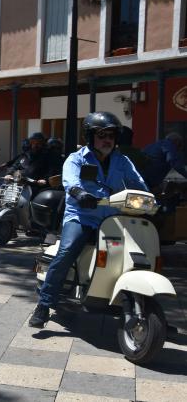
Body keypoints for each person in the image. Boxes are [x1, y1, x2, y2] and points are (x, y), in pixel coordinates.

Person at [29, 111, 148, 328]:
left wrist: (152, 199)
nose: (107, 140)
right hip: (82, 216)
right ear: (90, 136)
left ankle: (145, 305)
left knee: (140, 250)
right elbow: (70, 181)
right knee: (68, 250)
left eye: (111, 135)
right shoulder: (76, 159)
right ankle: (44, 305)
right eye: (101, 135)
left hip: (112, 217)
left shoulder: (122, 160)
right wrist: (79, 194)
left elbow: (139, 184)